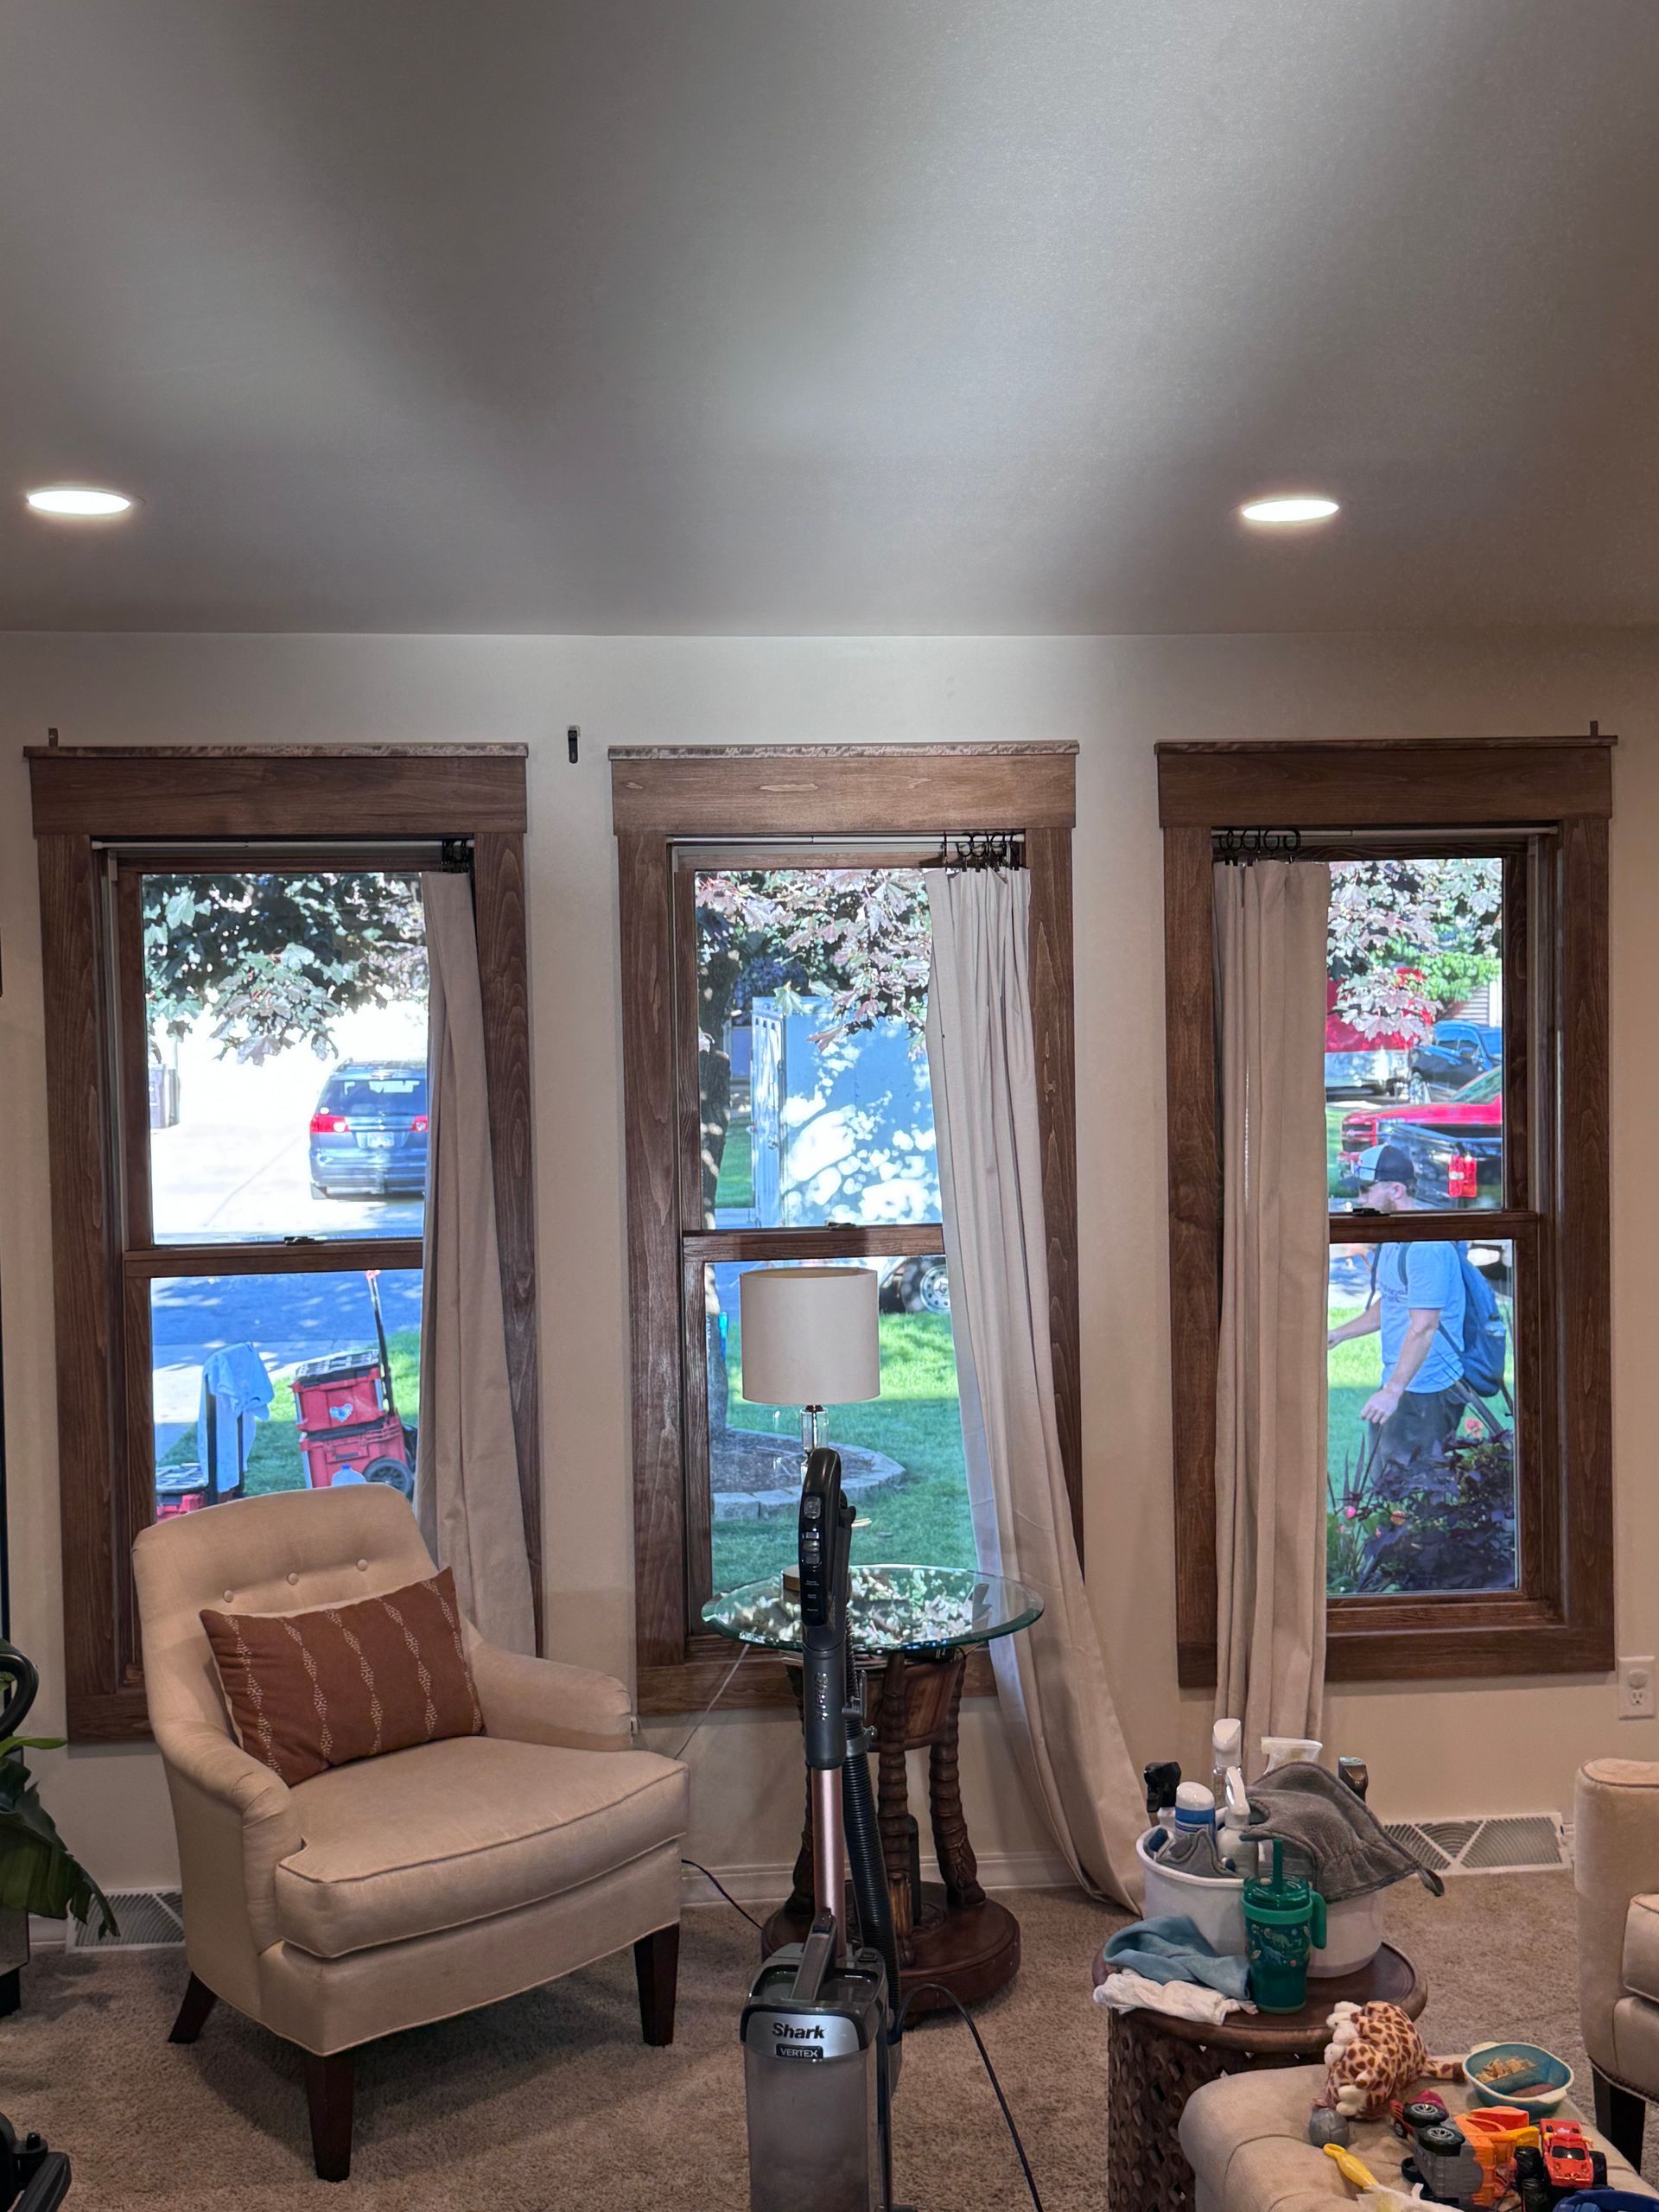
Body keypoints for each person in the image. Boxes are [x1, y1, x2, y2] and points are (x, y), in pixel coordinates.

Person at [1327, 1142, 1466, 1468]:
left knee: (1414, 1496)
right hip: (1404, 1381)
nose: (1359, 1200)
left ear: (1396, 1189)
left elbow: (1423, 1327)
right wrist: (1339, 1334)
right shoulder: (1394, 1233)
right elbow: (1391, 1301)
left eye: (1365, 1190)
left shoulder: (1424, 1247)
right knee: (1388, 1490)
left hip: (1425, 1390)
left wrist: (1393, 1391)